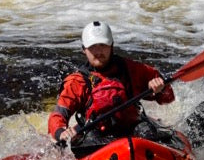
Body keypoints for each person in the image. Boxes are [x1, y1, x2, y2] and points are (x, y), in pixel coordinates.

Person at [48, 21, 175, 153]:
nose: (98, 51)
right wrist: (60, 133)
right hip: (96, 133)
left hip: (134, 127)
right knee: (91, 141)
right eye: (92, 47)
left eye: (103, 45)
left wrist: (161, 89)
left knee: (146, 132)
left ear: (111, 45)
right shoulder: (77, 82)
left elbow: (169, 98)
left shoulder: (133, 70)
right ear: (84, 49)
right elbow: (57, 115)